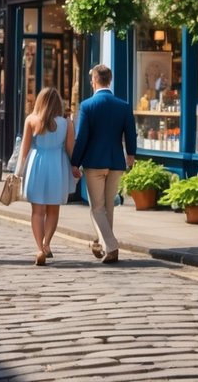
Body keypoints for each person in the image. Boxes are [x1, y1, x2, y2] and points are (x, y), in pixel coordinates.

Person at [69, 64, 136, 264]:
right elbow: (130, 133)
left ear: (95, 81)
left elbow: (82, 138)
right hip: (116, 161)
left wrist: (75, 162)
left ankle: (112, 246)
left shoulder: (87, 105)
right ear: (110, 80)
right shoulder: (123, 105)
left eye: (92, 80)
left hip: (94, 163)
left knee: (97, 208)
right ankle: (104, 245)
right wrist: (130, 154)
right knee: (108, 207)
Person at [17, 87, 75, 266]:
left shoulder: (32, 120)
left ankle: (39, 249)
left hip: (37, 164)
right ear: (59, 104)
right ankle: (47, 243)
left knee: (37, 211)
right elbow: (70, 150)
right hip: (57, 166)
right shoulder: (67, 123)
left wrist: (18, 173)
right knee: (53, 210)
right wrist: (75, 166)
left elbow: (24, 151)